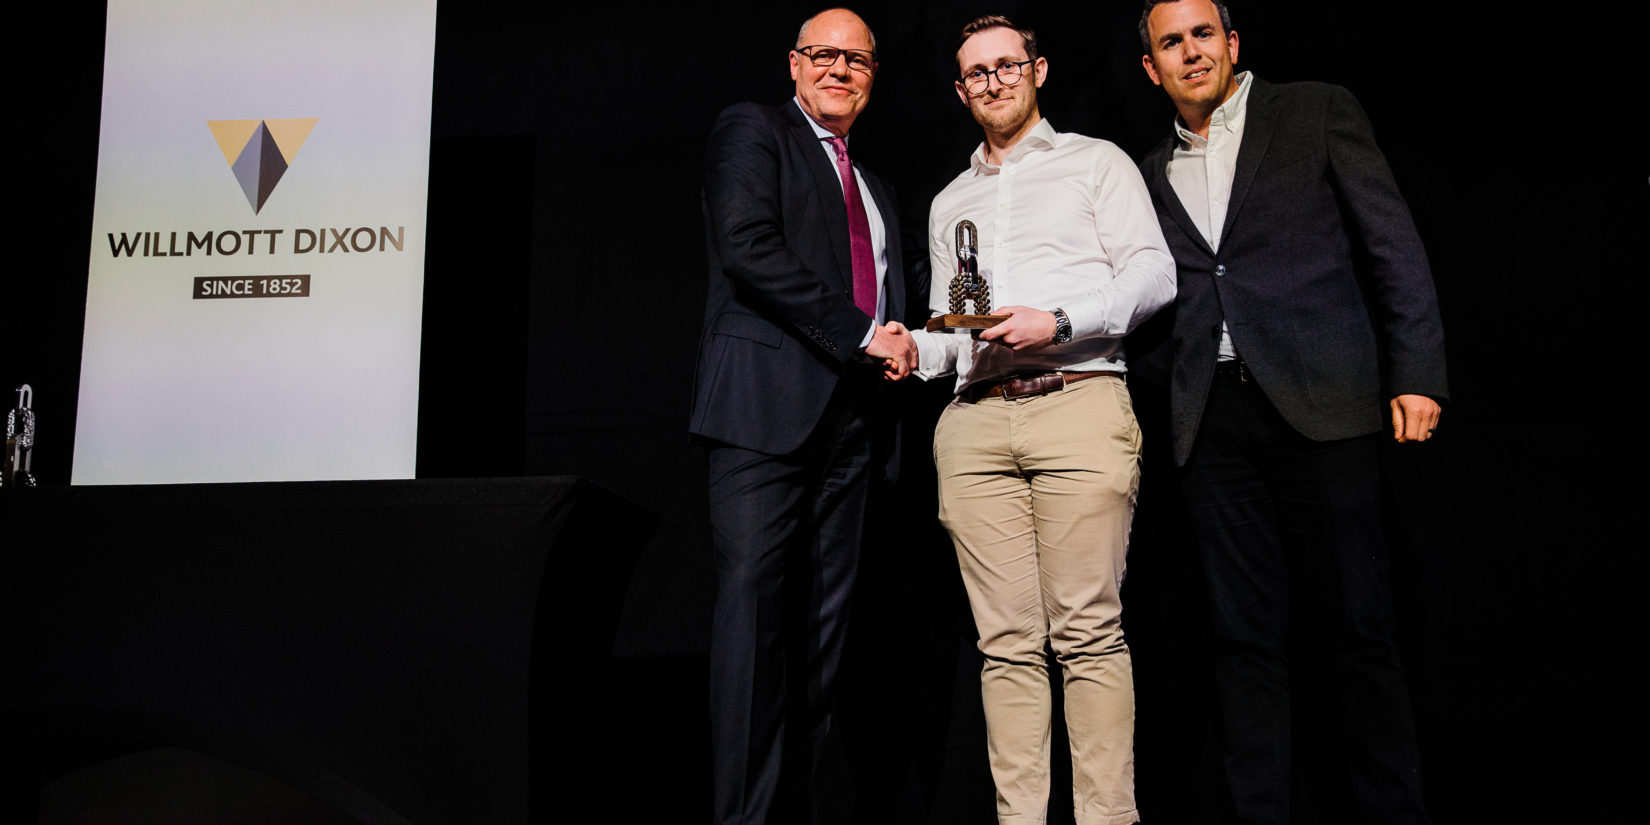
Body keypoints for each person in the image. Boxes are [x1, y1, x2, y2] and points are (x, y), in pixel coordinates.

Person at [1134, 1, 1447, 822]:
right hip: (1213, 425)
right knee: (1241, 642)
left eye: (1205, 34)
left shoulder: (1313, 109)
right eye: (1172, 42)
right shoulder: (1145, 166)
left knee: (1361, 629)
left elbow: (1392, 242)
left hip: (1325, 403)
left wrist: (1418, 370)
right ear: (1150, 67)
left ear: (1234, 44)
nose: (1191, 51)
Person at [904, 15, 1174, 825]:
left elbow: (1154, 275)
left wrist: (1056, 320)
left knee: (1089, 635)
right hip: (976, 423)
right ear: (960, 90)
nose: (993, 81)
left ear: (1039, 69)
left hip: (1078, 400)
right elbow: (960, 327)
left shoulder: (1097, 163)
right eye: (976, 73)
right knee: (1005, 646)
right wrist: (912, 349)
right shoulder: (952, 200)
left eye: (1006, 65)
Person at [691, 7, 925, 824]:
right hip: (764, 414)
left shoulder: (877, 185)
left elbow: (894, 296)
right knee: (753, 616)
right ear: (793, 64)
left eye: (856, 60)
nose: (839, 70)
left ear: (872, 77)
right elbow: (747, 246)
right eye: (823, 56)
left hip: (857, 429)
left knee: (826, 639)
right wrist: (867, 334)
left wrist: (905, 342)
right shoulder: (752, 131)